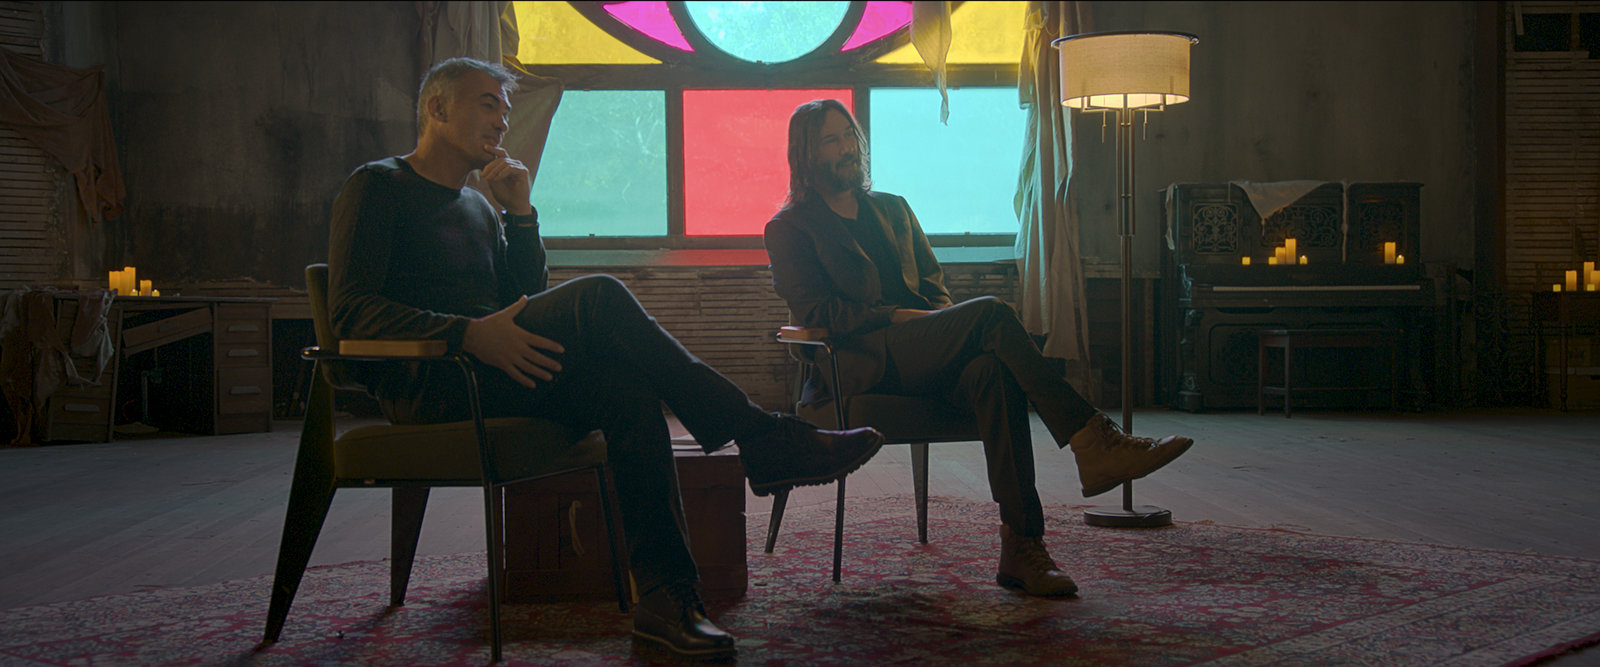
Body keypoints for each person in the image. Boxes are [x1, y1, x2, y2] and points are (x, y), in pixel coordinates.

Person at [327, 59, 884, 660]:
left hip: (499, 373)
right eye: (489, 104)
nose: (503, 121)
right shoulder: (378, 186)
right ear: (437, 108)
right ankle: (761, 436)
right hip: (432, 382)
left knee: (626, 390)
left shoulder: (479, 207)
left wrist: (520, 215)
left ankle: (666, 601)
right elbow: (350, 312)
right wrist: (465, 335)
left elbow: (524, 301)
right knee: (599, 295)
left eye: (505, 111)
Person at [763, 99, 1195, 598]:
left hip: (922, 347)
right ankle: (1091, 439)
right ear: (807, 153)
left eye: (848, 136)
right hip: (863, 362)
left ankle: (1023, 546)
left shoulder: (893, 208)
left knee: (991, 368)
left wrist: (939, 327)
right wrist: (902, 318)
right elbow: (819, 313)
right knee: (991, 313)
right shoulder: (790, 227)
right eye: (830, 140)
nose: (846, 149)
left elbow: (934, 287)